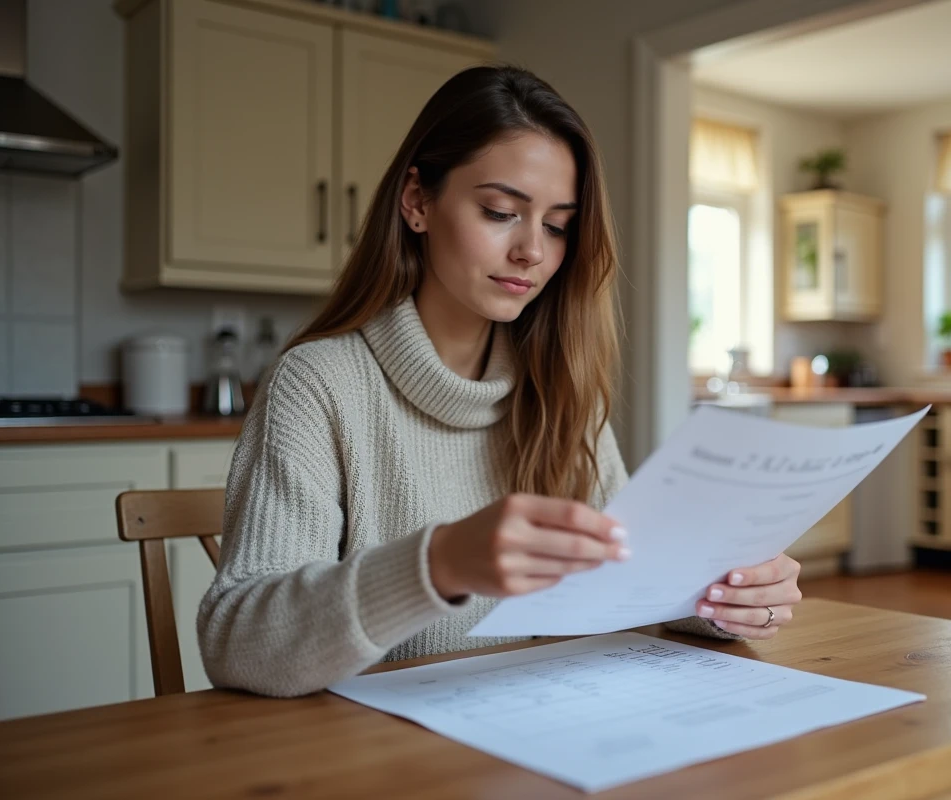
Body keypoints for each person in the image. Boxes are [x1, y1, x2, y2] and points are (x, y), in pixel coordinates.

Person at [197, 65, 802, 697]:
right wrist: (440, 563)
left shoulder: (560, 384)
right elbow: (240, 646)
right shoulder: (318, 384)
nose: (533, 252)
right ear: (417, 202)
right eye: (500, 211)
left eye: (557, 225)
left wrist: (721, 593)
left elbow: (622, 579)